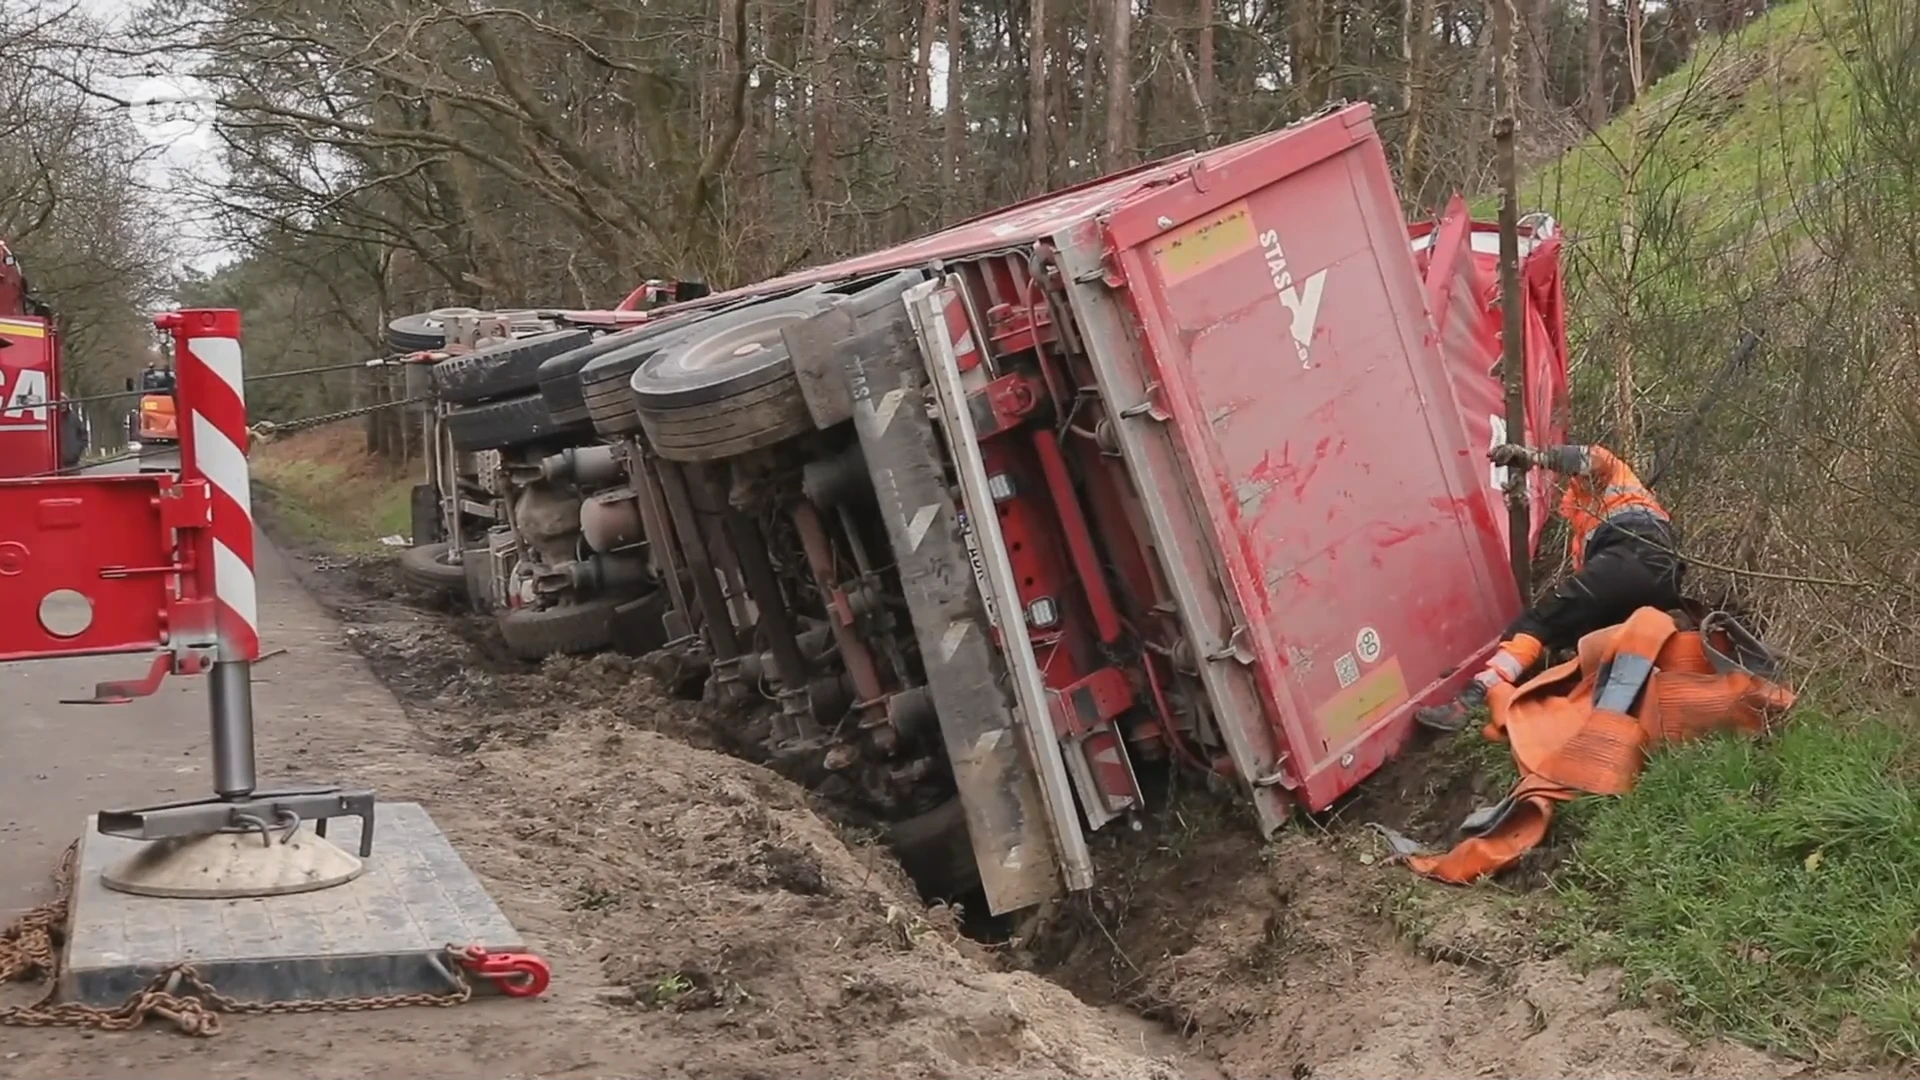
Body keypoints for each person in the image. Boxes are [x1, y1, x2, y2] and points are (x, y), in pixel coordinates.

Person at [1414, 441, 1686, 733]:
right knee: (1580, 630)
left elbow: (1585, 459)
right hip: (1665, 575)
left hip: (1629, 554)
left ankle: (1473, 697)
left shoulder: (1612, 474)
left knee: (1538, 622)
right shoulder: (1613, 517)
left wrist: (1531, 458)